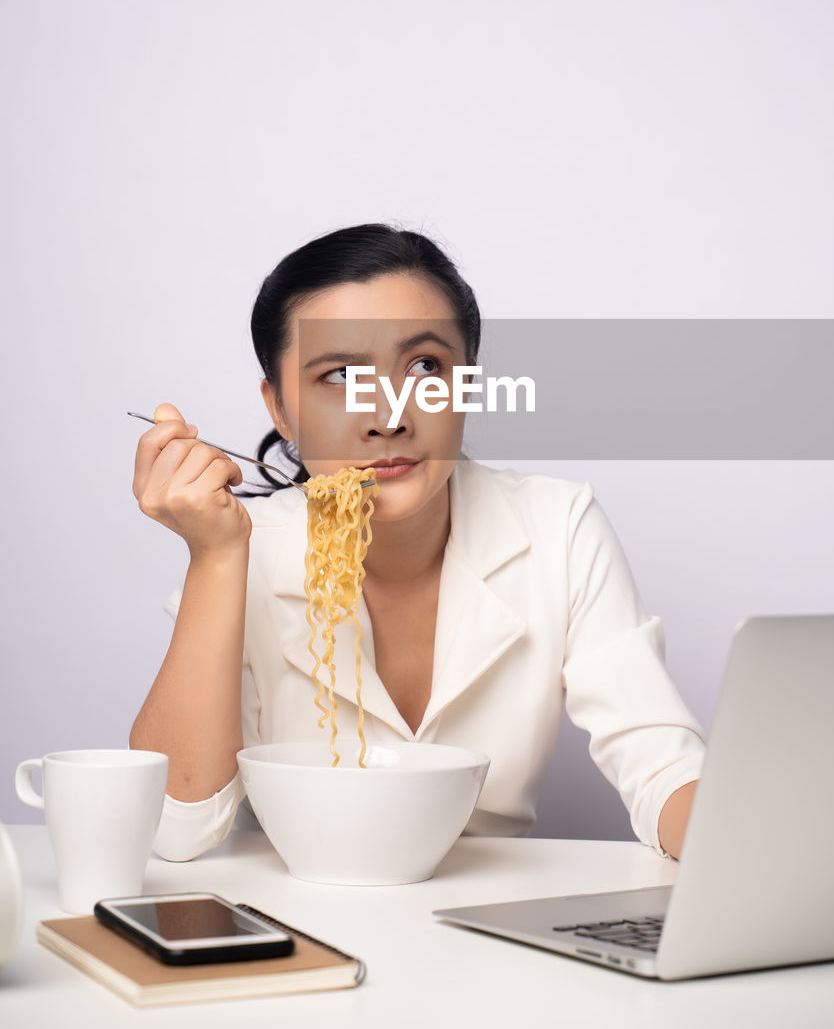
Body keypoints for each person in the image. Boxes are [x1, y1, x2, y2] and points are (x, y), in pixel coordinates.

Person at [130, 223, 704, 862]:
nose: (391, 416)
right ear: (282, 411)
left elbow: (664, 770)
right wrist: (213, 558)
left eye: (425, 367)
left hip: (486, 924)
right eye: (341, 377)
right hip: (298, 921)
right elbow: (170, 830)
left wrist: (752, 847)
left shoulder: (558, 525)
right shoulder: (244, 551)